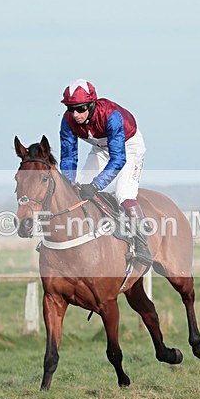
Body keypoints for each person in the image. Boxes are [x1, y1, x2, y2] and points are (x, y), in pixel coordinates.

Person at [58, 79, 152, 264]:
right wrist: (68, 183)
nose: (75, 114)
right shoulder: (68, 120)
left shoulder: (111, 116)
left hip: (129, 146)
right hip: (101, 148)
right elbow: (69, 156)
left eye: (80, 108)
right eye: (71, 109)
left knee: (123, 194)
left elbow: (118, 159)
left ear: (92, 104)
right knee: (77, 190)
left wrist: (96, 185)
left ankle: (142, 243)